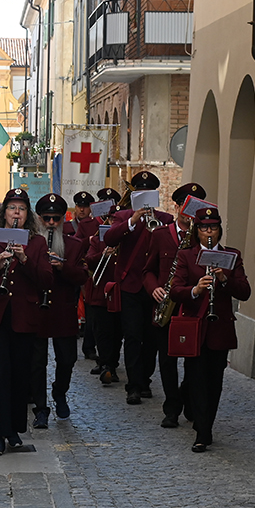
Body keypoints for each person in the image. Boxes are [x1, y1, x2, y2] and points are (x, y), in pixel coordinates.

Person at [0, 189, 53, 456]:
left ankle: (14, 429)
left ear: (27, 216)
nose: (16, 213)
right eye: (12, 208)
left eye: (22, 209)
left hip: (23, 317)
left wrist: (25, 260)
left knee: (19, 376)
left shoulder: (37, 243)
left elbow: (47, 281)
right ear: (3, 212)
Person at [171, 205, 250, 452]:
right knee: (195, 379)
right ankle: (202, 431)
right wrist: (196, 289)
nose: (209, 232)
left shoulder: (231, 256)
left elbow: (245, 291)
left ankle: (206, 427)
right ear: (197, 230)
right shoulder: (186, 255)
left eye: (213, 227)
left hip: (220, 329)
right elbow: (175, 289)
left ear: (219, 230)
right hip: (195, 327)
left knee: (214, 382)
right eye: (204, 228)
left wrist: (224, 279)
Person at [102, 171, 175, 405]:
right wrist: (132, 221)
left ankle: (145, 379)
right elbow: (110, 239)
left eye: (149, 193)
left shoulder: (165, 219)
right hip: (131, 285)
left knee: (152, 337)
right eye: (140, 192)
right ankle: (133, 385)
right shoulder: (123, 215)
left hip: (155, 288)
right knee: (132, 336)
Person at [143, 183, 199, 428]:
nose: (191, 213)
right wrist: (153, 287)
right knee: (167, 361)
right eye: (187, 206)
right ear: (177, 207)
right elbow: (148, 271)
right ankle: (171, 407)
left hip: (191, 305)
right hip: (165, 306)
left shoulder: (203, 237)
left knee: (193, 360)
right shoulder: (160, 235)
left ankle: (187, 396)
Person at [30, 194, 87, 428]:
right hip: (37, 311)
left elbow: (82, 277)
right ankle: (40, 407)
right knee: (36, 362)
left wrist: (62, 267)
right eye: (46, 219)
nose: (51, 223)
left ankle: (59, 392)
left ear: (63, 219)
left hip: (63, 310)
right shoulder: (32, 243)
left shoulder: (74, 245)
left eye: (56, 219)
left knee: (67, 359)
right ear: (39, 219)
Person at [82, 189, 122, 383]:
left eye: (117, 220)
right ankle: (106, 364)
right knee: (102, 330)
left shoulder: (126, 238)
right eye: (111, 219)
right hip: (99, 291)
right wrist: (103, 254)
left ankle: (111, 364)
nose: (113, 223)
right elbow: (88, 260)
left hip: (120, 291)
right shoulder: (99, 237)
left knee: (117, 331)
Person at [71, 191, 99, 361]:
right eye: (79, 206)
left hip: (95, 269)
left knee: (92, 309)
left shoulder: (96, 223)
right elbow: (74, 244)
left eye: (85, 207)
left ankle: (89, 345)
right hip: (79, 267)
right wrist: (89, 240)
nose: (82, 210)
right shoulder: (76, 225)